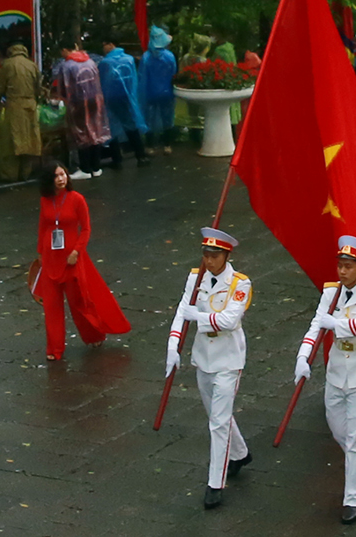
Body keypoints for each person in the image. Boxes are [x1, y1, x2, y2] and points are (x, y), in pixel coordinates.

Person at [295, 236, 356, 523]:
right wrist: (303, 356)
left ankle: (352, 498)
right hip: (337, 368)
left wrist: (335, 323)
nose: (342, 271)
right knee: (338, 429)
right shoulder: (330, 293)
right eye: (340, 265)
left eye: (348, 266)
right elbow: (315, 326)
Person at [167, 228, 252, 509]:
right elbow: (182, 311)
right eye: (206, 255)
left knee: (217, 422)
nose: (209, 261)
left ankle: (215, 483)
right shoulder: (196, 278)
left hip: (228, 358)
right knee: (216, 412)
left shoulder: (240, 284)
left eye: (214, 256)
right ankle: (240, 453)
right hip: (203, 355)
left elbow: (228, 320)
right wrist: (173, 346)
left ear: (226, 256)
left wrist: (200, 317)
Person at [35, 159, 130, 362]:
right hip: (51, 258)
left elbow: (86, 229)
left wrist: (77, 251)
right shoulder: (45, 200)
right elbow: (43, 226)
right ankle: (54, 348)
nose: (61, 179)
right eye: (56, 176)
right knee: (51, 306)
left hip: (72, 259)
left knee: (79, 302)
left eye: (63, 174)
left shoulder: (76, 199)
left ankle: (94, 335)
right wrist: (41, 254)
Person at [51, 45, 110, 178]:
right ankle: (96, 167)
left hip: (78, 103)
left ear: (65, 49)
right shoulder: (90, 61)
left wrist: (63, 100)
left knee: (82, 134)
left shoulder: (67, 65)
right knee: (94, 132)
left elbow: (64, 87)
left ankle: (85, 168)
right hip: (95, 101)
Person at [0, 41, 42, 182]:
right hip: (30, 106)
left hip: (14, 107)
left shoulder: (7, 65)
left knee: (11, 142)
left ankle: (10, 176)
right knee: (29, 142)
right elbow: (39, 89)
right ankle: (25, 174)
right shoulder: (32, 65)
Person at [98, 41, 150, 168]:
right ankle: (141, 155)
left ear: (110, 44)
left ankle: (117, 159)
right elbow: (134, 79)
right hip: (127, 98)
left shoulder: (105, 63)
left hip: (111, 99)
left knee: (112, 127)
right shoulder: (129, 59)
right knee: (131, 125)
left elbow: (101, 81)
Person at [140, 27, 178, 153]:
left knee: (149, 118)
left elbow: (142, 77)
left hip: (150, 92)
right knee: (167, 118)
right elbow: (173, 74)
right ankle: (167, 145)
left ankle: (150, 146)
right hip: (167, 92)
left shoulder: (146, 57)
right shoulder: (170, 56)